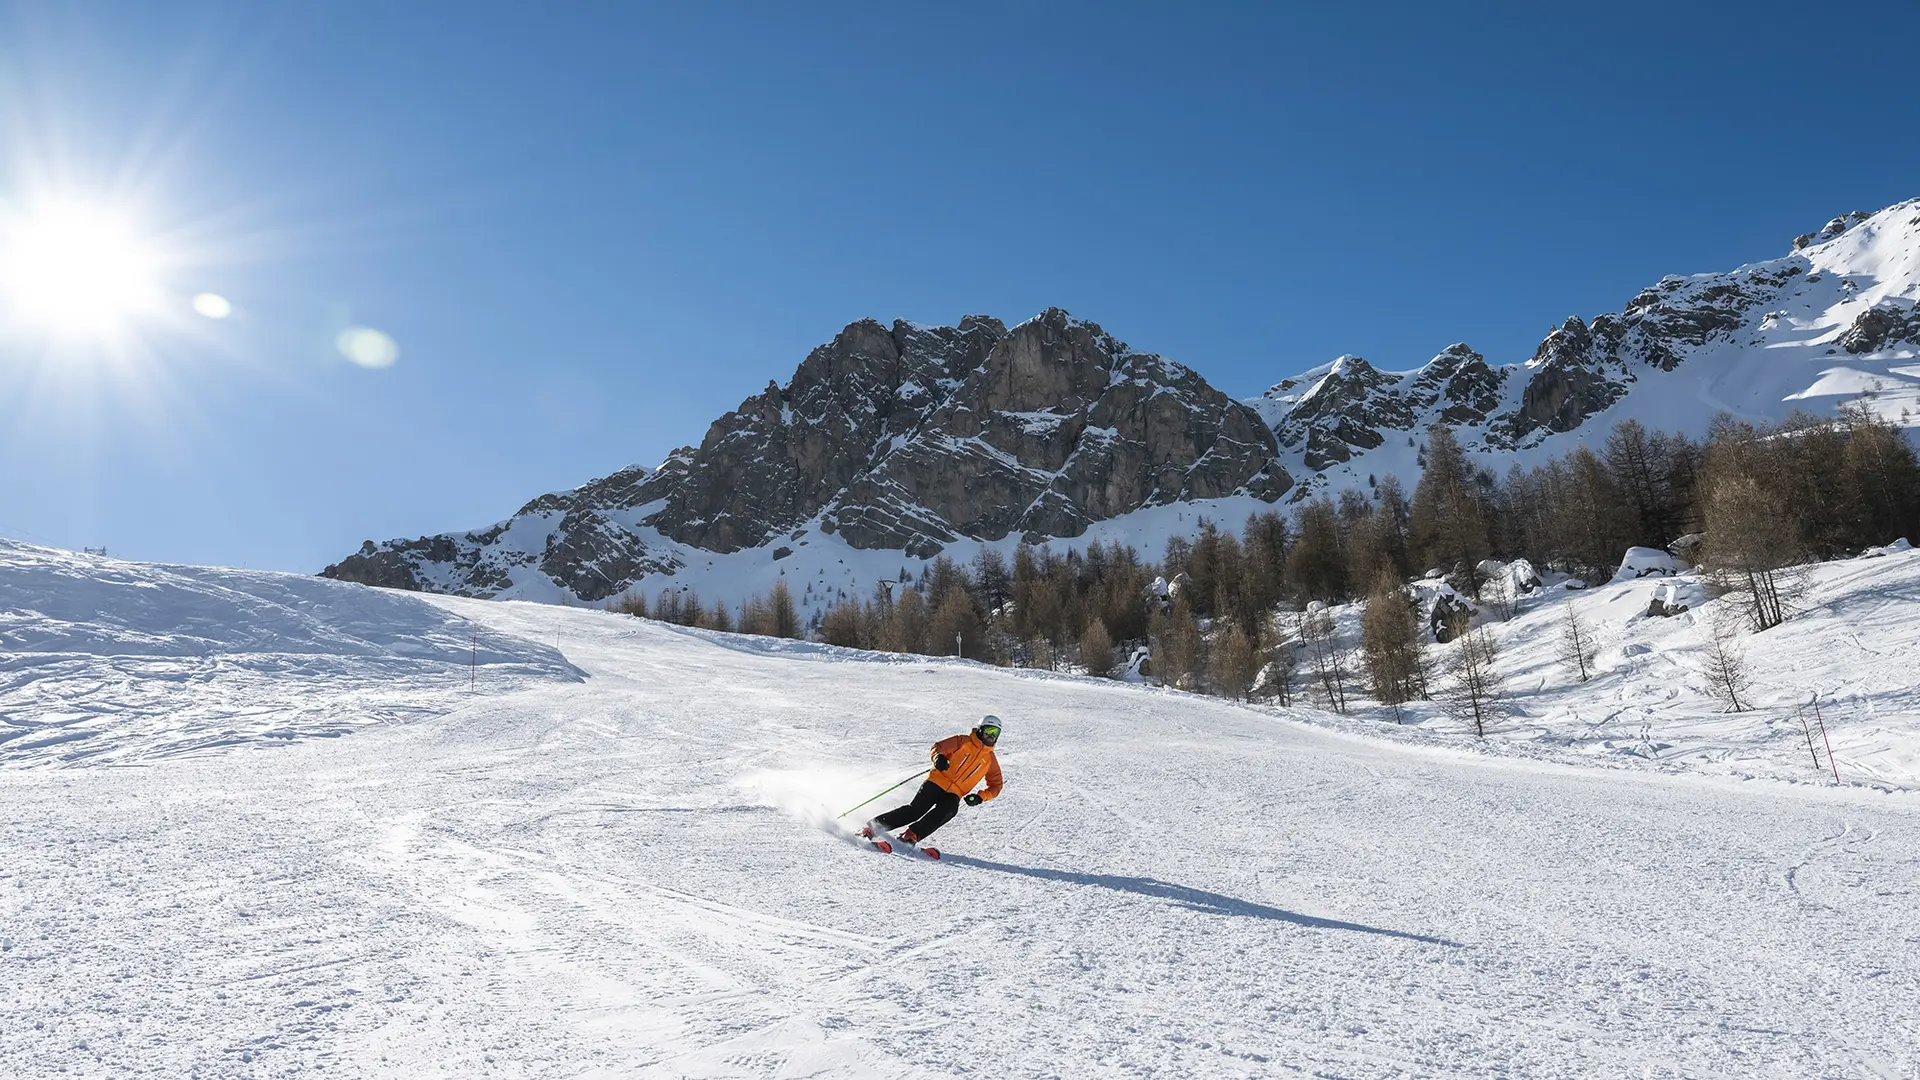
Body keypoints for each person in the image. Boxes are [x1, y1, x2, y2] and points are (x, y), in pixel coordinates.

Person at [863, 716, 1003, 846]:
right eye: (989, 730)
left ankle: (911, 836)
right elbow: (938, 747)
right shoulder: (962, 741)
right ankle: (873, 827)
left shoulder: (990, 760)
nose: (991, 735)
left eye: (996, 732)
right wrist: (938, 758)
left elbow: (996, 785)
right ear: (980, 729)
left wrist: (980, 797)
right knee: (915, 810)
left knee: (949, 810)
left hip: (955, 793)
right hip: (937, 780)